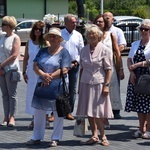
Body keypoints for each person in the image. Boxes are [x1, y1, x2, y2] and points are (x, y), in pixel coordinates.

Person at [26, 27, 71, 147]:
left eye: (55, 36)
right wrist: (43, 75)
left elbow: (65, 69)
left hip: (57, 87)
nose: (52, 38)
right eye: (50, 36)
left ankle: (55, 138)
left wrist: (49, 77)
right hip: (42, 86)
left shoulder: (64, 52)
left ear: (59, 39)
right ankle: (36, 137)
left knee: (57, 113)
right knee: (39, 112)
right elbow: (35, 65)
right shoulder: (42, 51)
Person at [76, 24, 113, 146]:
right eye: (89, 34)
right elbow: (81, 68)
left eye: (93, 34)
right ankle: (94, 135)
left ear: (99, 36)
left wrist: (106, 85)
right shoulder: (83, 50)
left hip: (99, 83)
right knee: (88, 111)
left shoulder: (105, 50)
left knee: (97, 112)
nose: (91, 36)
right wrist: (79, 86)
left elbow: (108, 69)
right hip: (85, 83)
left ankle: (103, 136)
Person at [49, 14, 84, 121]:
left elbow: (81, 51)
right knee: (58, 88)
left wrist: (76, 62)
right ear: (66, 23)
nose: (75, 24)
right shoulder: (60, 34)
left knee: (72, 90)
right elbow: (55, 48)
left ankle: (68, 111)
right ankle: (54, 113)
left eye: (76, 22)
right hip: (60, 66)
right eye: (73, 22)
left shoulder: (78, 35)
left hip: (74, 65)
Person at [93, 14, 124, 128]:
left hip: (109, 68)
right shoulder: (92, 36)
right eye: (97, 22)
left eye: (100, 22)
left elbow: (117, 52)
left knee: (107, 94)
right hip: (96, 69)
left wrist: (120, 68)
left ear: (105, 23)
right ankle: (99, 118)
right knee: (97, 94)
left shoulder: (111, 35)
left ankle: (106, 118)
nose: (98, 24)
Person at [125, 19, 150, 139]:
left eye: (146, 29)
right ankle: (141, 128)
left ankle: (148, 129)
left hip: (148, 76)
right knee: (140, 104)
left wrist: (138, 65)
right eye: (142, 29)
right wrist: (131, 72)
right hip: (136, 76)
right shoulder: (135, 43)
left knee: (148, 105)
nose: (144, 31)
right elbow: (129, 58)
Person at [23, 21, 50, 129]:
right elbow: (26, 58)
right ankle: (34, 118)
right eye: (36, 29)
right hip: (31, 72)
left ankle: (46, 119)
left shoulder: (45, 43)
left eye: (39, 29)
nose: (37, 31)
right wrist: (24, 72)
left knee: (44, 94)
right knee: (32, 94)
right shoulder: (29, 43)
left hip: (42, 72)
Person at [103, 11, 126, 119]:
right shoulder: (99, 31)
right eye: (105, 17)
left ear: (113, 19)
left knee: (115, 85)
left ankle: (115, 109)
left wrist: (111, 51)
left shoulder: (117, 31)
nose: (107, 19)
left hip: (114, 60)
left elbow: (122, 46)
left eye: (109, 17)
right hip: (101, 62)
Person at [0, 16, 21, 127]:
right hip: (1, 69)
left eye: (3, 24)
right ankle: (6, 116)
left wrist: (2, 65)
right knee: (5, 94)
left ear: (7, 26)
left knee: (12, 94)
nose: (1, 26)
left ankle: (12, 117)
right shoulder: (2, 37)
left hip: (11, 68)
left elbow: (14, 55)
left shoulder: (15, 38)